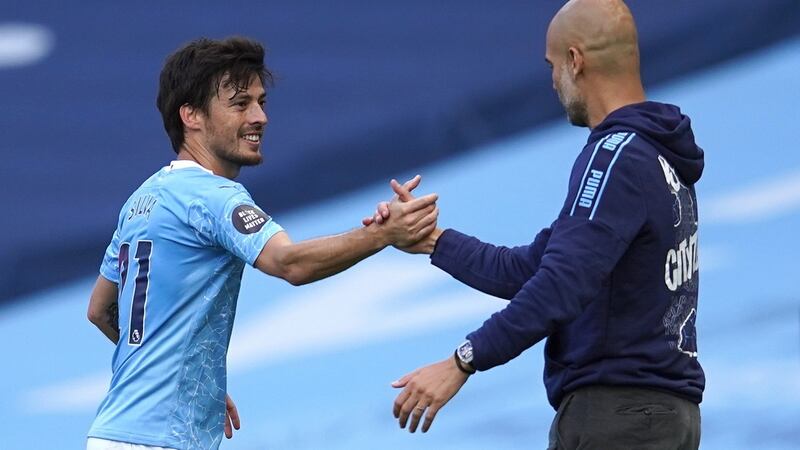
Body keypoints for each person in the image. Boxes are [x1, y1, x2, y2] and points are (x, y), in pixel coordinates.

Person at [367, 0, 705, 447]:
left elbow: (559, 285)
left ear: (574, 60)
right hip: (664, 417)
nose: (551, 81)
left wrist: (462, 360)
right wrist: (433, 240)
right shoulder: (658, 152)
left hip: (616, 418)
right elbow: (530, 269)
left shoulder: (613, 158)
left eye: (551, 65)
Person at [85, 37, 439, 450]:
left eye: (261, 102)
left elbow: (100, 309)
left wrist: (193, 378)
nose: (259, 117)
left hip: (116, 431)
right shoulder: (213, 196)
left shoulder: (142, 199)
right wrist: (382, 234)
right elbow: (289, 263)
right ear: (191, 115)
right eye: (240, 104)